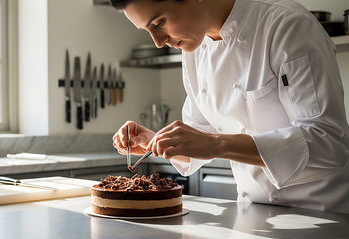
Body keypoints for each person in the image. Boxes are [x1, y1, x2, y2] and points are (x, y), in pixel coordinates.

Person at [111, 0, 349, 213]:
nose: (158, 42)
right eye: (148, 30)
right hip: (254, 216)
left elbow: (328, 143)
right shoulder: (194, 48)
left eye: (159, 22)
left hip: (321, 215)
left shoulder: (286, 25)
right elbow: (199, 134)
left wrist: (218, 144)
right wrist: (158, 142)